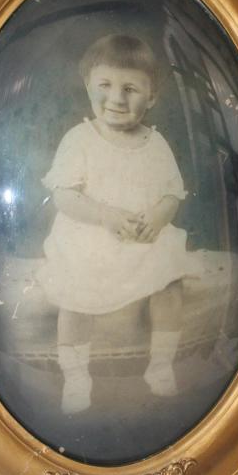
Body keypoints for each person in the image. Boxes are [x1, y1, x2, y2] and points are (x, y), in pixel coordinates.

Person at [37, 35, 188, 414]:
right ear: (89, 87)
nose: (117, 98)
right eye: (105, 85)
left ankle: (160, 365)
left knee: (171, 280)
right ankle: (75, 374)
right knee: (74, 297)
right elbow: (65, 196)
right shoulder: (80, 138)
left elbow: (173, 193)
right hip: (91, 237)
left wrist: (159, 216)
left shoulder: (156, 143)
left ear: (151, 97)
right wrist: (104, 215)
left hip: (141, 239)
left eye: (131, 88)